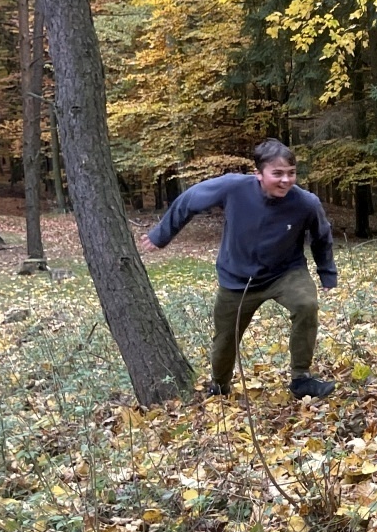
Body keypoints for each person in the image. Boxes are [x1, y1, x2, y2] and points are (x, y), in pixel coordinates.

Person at [141, 139, 338, 399]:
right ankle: (220, 386)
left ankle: (301, 379)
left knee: (306, 305)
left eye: (291, 173)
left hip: (285, 273)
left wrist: (327, 272)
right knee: (225, 339)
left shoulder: (305, 203)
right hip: (236, 279)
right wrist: (161, 235)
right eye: (277, 173)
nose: (286, 180)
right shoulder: (233, 188)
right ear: (259, 174)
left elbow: (321, 236)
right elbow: (190, 199)